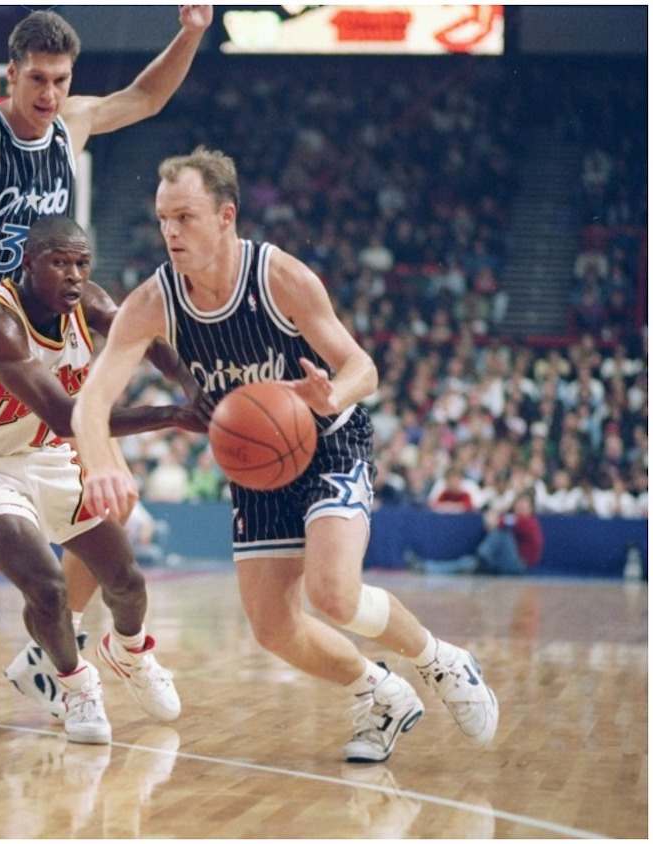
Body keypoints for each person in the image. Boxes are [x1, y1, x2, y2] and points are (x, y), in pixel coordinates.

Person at [70, 146, 500, 763]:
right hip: (258, 464)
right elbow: (91, 402)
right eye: (164, 218)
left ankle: (442, 661)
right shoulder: (153, 301)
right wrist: (103, 460)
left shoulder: (280, 277)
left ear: (226, 216)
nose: (170, 231)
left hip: (327, 440)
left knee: (333, 593)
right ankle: (378, 693)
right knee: (273, 628)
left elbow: (363, 367)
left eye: (185, 217)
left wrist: (333, 395)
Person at [0, 7, 213, 716]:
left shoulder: (72, 121)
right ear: (11, 75)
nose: (47, 93)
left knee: (99, 500)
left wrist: (191, 31)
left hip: (53, 331)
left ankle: (53, 651)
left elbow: (146, 98)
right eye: (36, 79)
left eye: (59, 80)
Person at [0, 215, 205, 744]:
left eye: (81, 263)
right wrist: (172, 413)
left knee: (126, 580)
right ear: (29, 264)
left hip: (44, 457)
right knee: (48, 586)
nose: (73, 275)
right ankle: (74, 685)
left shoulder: (90, 301)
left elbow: (149, 340)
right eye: (59, 263)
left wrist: (198, 386)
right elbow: (66, 417)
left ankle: (130, 653)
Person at [408, 494, 543, 576]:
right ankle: (426, 567)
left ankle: (482, 558)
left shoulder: (527, 521)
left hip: (519, 567)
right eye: (519, 504)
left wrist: (494, 516)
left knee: (502, 533)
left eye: (524, 505)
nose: (520, 507)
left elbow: (495, 523)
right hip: (505, 563)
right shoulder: (518, 519)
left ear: (531, 508)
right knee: (465, 563)